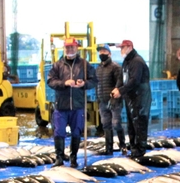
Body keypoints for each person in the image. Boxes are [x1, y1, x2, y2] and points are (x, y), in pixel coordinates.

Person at [48, 38, 93, 167]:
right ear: (64, 48)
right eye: (67, 47)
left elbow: (94, 80)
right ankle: (59, 158)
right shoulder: (57, 65)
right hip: (61, 105)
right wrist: (64, 83)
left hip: (78, 105)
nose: (70, 49)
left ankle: (73, 158)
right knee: (59, 131)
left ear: (77, 48)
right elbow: (50, 81)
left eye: (72, 47)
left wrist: (84, 83)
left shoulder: (84, 64)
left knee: (76, 132)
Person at [113, 39, 150, 159]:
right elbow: (121, 77)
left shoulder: (137, 61)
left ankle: (140, 151)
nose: (121, 51)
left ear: (129, 47)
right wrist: (117, 88)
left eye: (123, 48)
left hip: (140, 97)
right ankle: (134, 148)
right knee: (131, 124)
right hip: (130, 97)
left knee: (139, 123)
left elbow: (134, 80)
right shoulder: (126, 62)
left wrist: (121, 90)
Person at [95, 44, 126, 155]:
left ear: (109, 53)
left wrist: (115, 98)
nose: (102, 53)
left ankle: (123, 145)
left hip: (114, 101)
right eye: (100, 51)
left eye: (104, 51)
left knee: (116, 123)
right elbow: (96, 84)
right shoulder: (98, 69)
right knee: (106, 125)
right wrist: (98, 98)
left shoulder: (116, 67)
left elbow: (119, 83)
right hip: (102, 101)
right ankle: (109, 148)